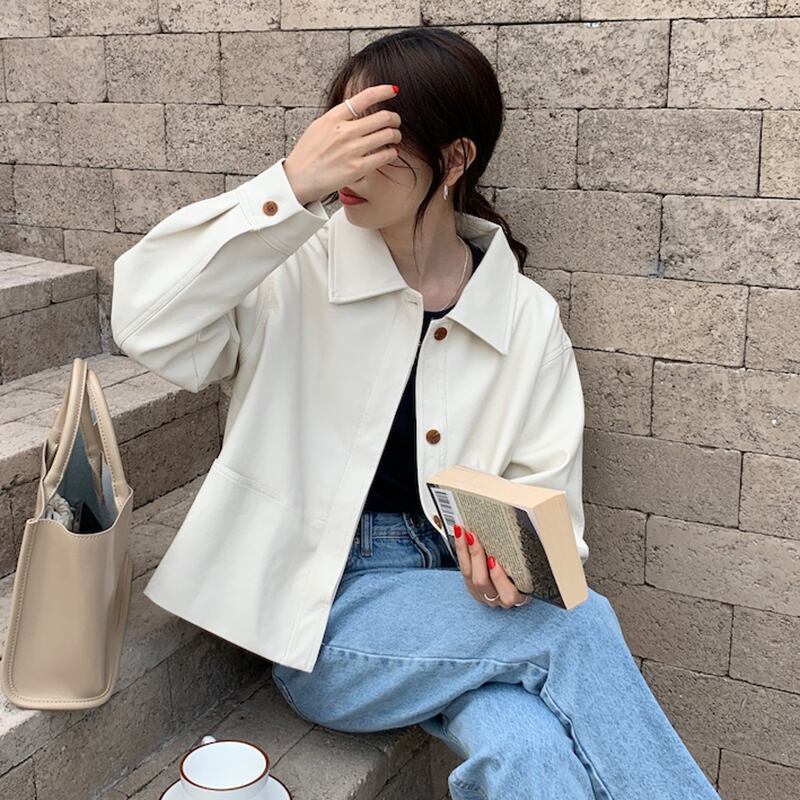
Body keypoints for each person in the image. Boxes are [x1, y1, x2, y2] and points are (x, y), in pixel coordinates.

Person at [111, 24, 722, 800]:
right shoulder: (289, 268)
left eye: (377, 139)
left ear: (455, 158)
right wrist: (290, 185)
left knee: (527, 750)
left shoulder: (525, 318)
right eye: (341, 133)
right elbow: (146, 320)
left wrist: (510, 567)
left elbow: (548, 511)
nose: (350, 163)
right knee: (575, 625)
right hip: (328, 622)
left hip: (467, 614)